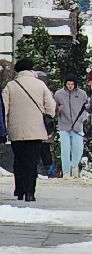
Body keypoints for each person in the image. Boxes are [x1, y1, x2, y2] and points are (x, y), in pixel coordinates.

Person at [4, 58, 57, 202]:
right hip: (36, 130)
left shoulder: (11, 86)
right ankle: (30, 192)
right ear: (31, 70)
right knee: (32, 161)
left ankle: (19, 190)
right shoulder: (40, 85)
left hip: (16, 131)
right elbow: (51, 106)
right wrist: (49, 117)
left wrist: (6, 126)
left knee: (19, 160)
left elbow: (4, 108)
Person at [53, 77, 89, 179]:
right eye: (68, 84)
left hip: (77, 125)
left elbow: (87, 107)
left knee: (78, 149)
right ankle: (66, 172)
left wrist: (83, 118)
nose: (70, 86)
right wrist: (58, 110)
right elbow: (53, 108)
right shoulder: (58, 94)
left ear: (75, 84)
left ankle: (74, 167)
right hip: (64, 125)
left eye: (72, 84)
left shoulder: (82, 94)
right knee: (65, 149)